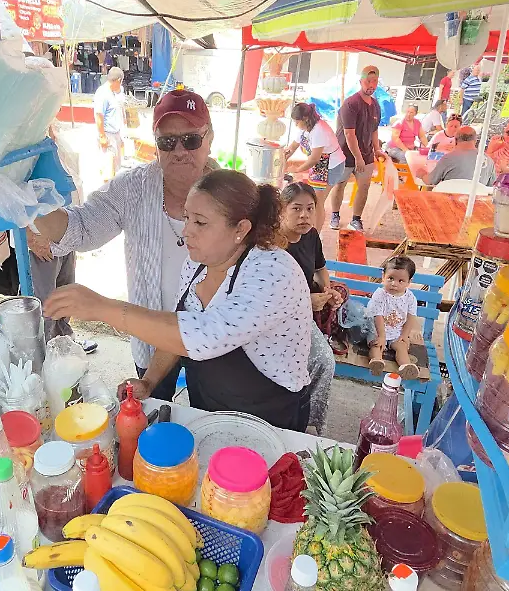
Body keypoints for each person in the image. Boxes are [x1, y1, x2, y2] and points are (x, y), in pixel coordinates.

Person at [44, 171, 313, 431]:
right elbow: (180, 325)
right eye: (186, 218)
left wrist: (102, 308)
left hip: (269, 419)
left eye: (200, 222)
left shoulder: (273, 271)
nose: (186, 231)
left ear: (241, 229)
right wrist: (149, 381)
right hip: (209, 409)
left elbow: (201, 335)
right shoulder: (198, 264)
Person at [31, 90, 217, 401]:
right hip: (149, 334)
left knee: (209, 416)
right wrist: (29, 209)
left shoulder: (232, 195)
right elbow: (83, 225)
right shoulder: (134, 188)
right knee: (152, 413)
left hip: (214, 337)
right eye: (167, 142)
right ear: (155, 143)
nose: (179, 151)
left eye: (191, 140)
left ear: (209, 137)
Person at [277, 182, 338, 433]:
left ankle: (310, 422)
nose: (304, 215)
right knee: (320, 360)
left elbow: (320, 268)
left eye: (310, 209)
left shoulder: (311, 235)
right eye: (297, 209)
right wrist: (306, 302)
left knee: (325, 362)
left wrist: (327, 290)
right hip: (279, 319)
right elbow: (272, 298)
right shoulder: (275, 245)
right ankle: (296, 419)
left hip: (305, 311)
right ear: (281, 211)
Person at [329, 66, 383, 232]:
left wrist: (377, 149)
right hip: (345, 153)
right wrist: (358, 158)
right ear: (361, 82)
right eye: (368, 81)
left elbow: (374, 129)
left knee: (364, 186)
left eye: (374, 81)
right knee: (340, 184)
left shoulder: (376, 105)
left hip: (366, 154)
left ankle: (356, 219)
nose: (371, 85)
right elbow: (349, 134)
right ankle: (335, 214)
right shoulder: (351, 104)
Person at [283, 102, 346, 228]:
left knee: (317, 202)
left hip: (330, 166)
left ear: (305, 119)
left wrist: (297, 170)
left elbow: (314, 159)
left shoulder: (319, 130)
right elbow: (293, 147)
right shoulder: (304, 128)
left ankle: (316, 235)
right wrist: (282, 159)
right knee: (315, 200)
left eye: (297, 121)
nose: (295, 124)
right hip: (320, 165)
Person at [366, 256, 420, 380]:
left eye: (401, 281)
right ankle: (376, 362)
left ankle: (406, 366)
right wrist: (382, 337)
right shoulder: (380, 294)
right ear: (383, 276)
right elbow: (377, 316)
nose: (394, 284)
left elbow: (411, 317)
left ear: (409, 282)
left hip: (396, 332)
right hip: (377, 329)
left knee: (401, 347)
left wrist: (404, 335)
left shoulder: (410, 298)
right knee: (376, 345)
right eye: (390, 278)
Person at [422, 126, 496, 187]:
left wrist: (421, 174)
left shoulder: (448, 158)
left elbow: (430, 181)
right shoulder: (489, 161)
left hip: (448, 202)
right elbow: (491, 187)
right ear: (475, 140)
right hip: (477, 202)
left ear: (456, 140)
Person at [93, 67, 126, 180]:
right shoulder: (103, 93)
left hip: (115, 133)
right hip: (107, 134)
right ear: (118, 80)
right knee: (108, 169)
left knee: (115, 168)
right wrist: (102, 136)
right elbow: (99, 115)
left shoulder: (115, 93)